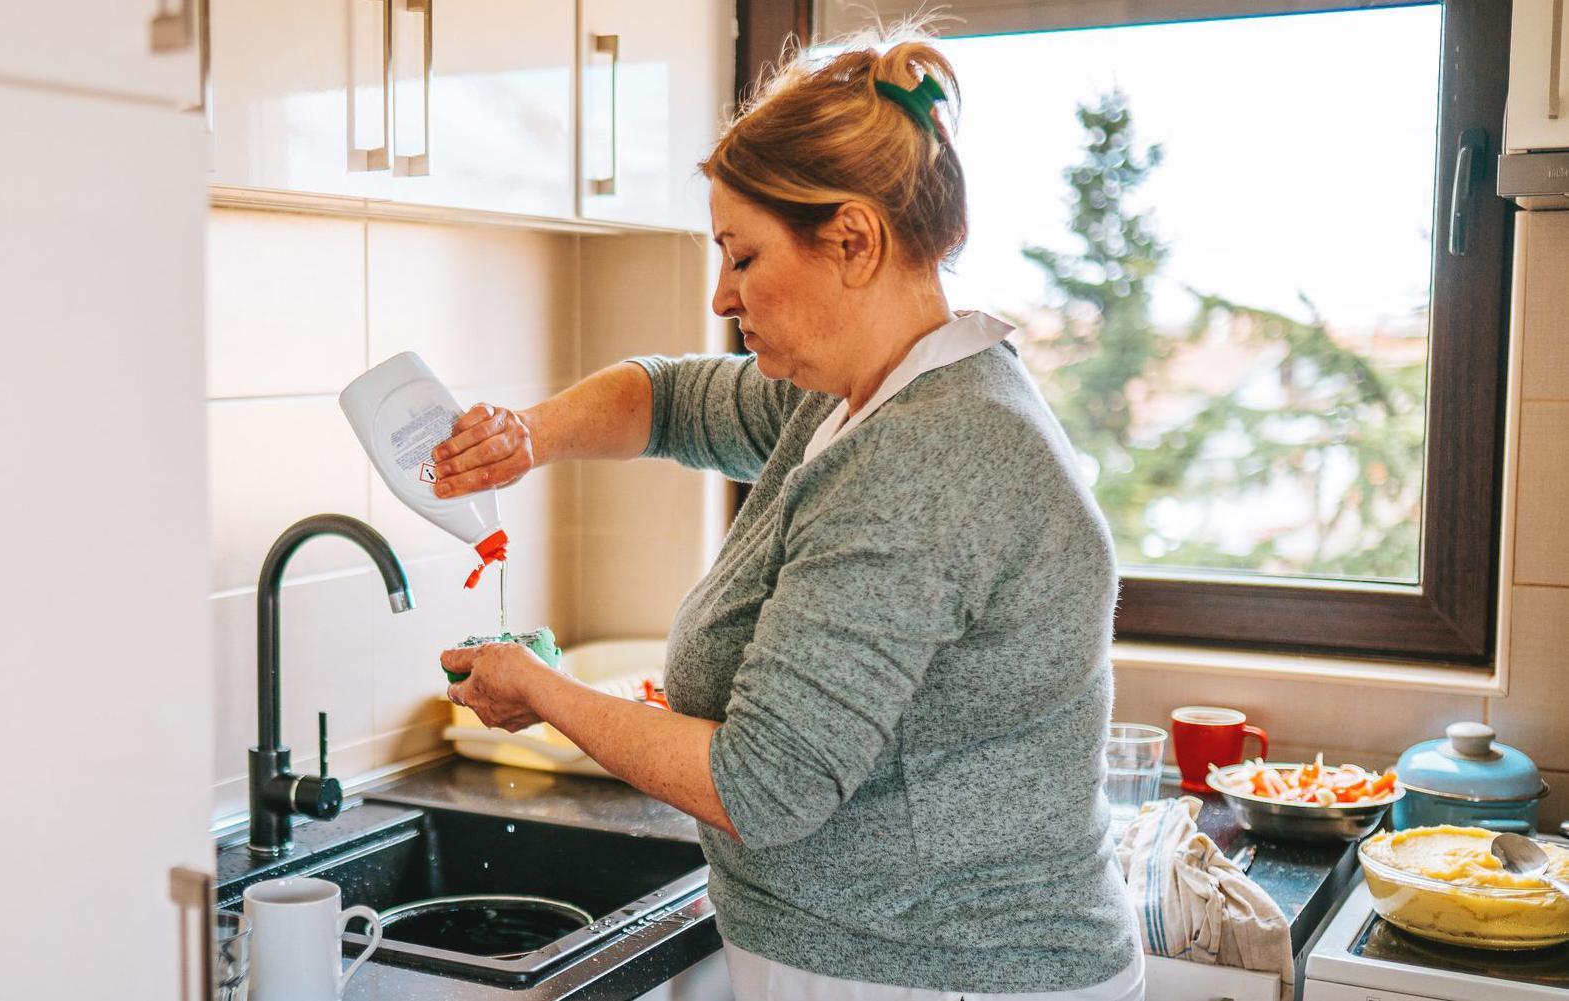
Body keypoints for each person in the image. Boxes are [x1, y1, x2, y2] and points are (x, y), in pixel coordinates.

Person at [431, 35, 1143, 1001]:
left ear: (852, 240)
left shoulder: (925, 456)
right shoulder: (860, 396)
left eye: (742, 255)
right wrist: (528, 433)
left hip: (940, 976)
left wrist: (541, 690)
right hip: (887, 955)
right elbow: (672, 398)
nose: (722, 296)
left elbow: (760, 786)